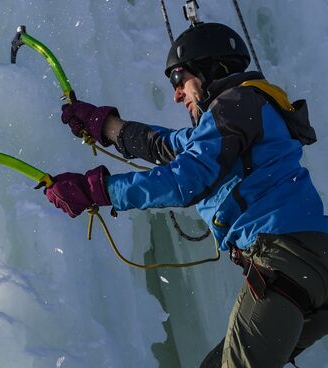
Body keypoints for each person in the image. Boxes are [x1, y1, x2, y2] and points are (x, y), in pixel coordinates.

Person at [44, 22, 328, 367]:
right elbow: (169, 147)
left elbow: (184, 179)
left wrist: (98, 190)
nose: (176, 94)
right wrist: (104, 126)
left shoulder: (236, 103)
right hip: (314, 268)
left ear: (211, 69)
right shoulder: (250, 109)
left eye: (179, 79)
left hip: (283, 259)